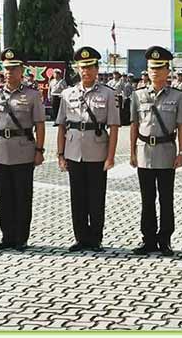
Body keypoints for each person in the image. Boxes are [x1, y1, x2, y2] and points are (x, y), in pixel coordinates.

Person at [56, 46, 120, 252]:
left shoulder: (109, 94)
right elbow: (61, 126)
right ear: (77, 69)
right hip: (74, 150)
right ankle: (80, 237)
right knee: (77, 197)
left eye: (91, 67)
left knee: (96, 196)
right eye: (83, 67)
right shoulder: (67, 94)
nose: (87, 71)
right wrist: (60, 154)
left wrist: (110, 157)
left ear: (97, 68)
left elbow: (114, 127)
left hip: (97, 151)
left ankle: (95, 238)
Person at [0, 48, 46, 251]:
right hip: (0, 149)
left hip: (23, 149)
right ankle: (6, 236)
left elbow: (40, 125)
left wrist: (39, 150)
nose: (9, 72)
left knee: (22, 195)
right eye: (7, 69)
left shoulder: (32, 95)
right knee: (4, 196)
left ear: (22, 71)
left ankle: (21, 238)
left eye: (13, 69)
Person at [129, 46, 182, 256]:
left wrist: (181, 153)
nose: (155, 72)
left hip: (166, 151)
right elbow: (134, 124)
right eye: (152, 68)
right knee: (146, 199)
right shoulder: (137, 95)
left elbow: (181, 126)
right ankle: (148, 239)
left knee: (166, 198)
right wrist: (132, 152)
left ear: (167, 71)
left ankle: (165, 240)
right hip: (144, 151)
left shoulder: (178, 97)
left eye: (159, 68)